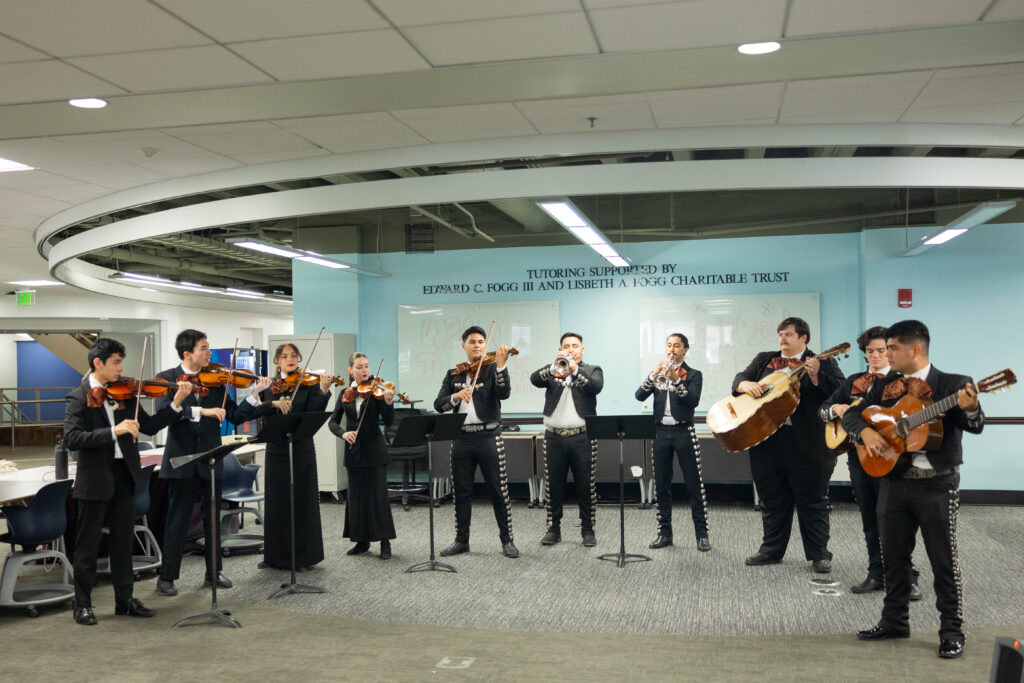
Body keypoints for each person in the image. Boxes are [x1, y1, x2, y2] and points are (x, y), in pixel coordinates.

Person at [845, 320, 983, 659]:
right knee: (893, 557)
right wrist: (867, 434)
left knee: (942, 560)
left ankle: (952, 630)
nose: (886, 354)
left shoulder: (952, 384)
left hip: (937, 484)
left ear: (915, 349)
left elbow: (976, 425)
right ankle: (894, 621)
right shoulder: (886, 386)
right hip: (894, 483)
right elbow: (853, 417)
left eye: (892, 348)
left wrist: (972, 407)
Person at [63, 337, 191, 625]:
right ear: (98, 363)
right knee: (87, 545)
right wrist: (114, 431)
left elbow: (149, 426)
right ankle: (82, 604)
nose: (122, 368)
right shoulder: (77, 397)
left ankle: (125, 600)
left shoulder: (124, 394)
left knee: (123, 542)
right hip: (95, 478)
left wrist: (177, 403)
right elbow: (73, 439)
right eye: (116, 362)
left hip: (124, 474)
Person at [155, 329, 274, 597]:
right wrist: (202, 411)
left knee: (212, 520)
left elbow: (233, 414)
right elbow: (166, 413)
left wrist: (255, 395)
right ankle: (167, 577)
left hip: (211, 457)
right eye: (204, 348)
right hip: (181, 459)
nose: (210, 353)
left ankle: (213, 571)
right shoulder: (167, 379)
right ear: (188, 353)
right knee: (177, 520)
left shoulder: (217, 382)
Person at [819, 326, 922, 601]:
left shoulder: (905, 381)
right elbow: (823, 409)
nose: (875, 356)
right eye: (870, 351)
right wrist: (836, 409)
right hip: (860, 457)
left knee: (899, 520)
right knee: (869, 517)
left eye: (880, 350)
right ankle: (876, 572)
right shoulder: (853, 381)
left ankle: (906, 576)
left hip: (895, 459)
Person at [734, 317, 844, 572]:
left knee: (813, 501)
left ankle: (819, 554)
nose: (782, 338)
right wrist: (744, 384)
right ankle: (771, 550)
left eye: (788, 334)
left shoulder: (824, 361)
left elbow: (839, 390)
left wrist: (816, 377)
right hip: (767, 442)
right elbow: (740, 377)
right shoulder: (764, 358)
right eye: (780, 334)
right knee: (771, 499)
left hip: (809, 444)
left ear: (803, 338)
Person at [236, 342, 333, 570]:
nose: (290, 359)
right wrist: (271, 402)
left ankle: (303, 557)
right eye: (285, 356)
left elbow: (314, 412)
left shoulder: (307, 384)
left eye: (294, 356)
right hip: (277, 449)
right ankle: (275, 557)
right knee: (277, 502)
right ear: (277, 361)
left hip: (301, 448)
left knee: (302, 501)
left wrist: (324, 391)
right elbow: (254, 410)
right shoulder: (269, 385)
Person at [434, 325, 518, 558]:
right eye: (472, 342)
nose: (478, 345)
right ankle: (461, 540)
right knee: (461, 492)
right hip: (461, 438)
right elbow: (439, 405)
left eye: (481, 341)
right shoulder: (454, 374)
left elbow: (504, 394)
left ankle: (507, 540)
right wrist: (455, 397)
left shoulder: (492, 369)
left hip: (489, 436)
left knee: (499, 491)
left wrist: (501, 365)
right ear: (464, 346)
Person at [636, 333, 710, 552]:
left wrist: (677, 379)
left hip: (684, 431)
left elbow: (692, 400)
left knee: (694, 485)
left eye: (677, 346)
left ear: (685, 349)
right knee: (661, 485)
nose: (672, 349)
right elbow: (639, 396)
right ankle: (664, 533)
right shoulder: (659, 372)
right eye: (668, 345)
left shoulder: (694, 374)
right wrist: (652, 376)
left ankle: (702, 534)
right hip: (659, 432)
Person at [530, 332, 603, 547]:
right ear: (560, 349)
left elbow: (594, 387)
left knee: (585, 486)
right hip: (554, 436)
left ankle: (588, 530)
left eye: (575, 345)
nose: (570, 349)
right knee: (553, 486)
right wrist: (555, 368)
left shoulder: (592, 370)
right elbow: (534, 379)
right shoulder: (553, 370)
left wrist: (574, 369)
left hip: (583, 436)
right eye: (566, 346)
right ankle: (553, 529)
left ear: (582, 349)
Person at [328, 352, 396, 559]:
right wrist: (343, 433)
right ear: (351, 370)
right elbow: (332, 422)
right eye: (359, 367)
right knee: (356, 498)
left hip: (375, 450)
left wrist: (388, 402)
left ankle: (385, 543)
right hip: (353, 451)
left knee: (378, 497)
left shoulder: (378, 390)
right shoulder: (345, 393)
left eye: (367, 366)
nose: (365, 370)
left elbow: (389, 421)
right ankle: (361, 541)